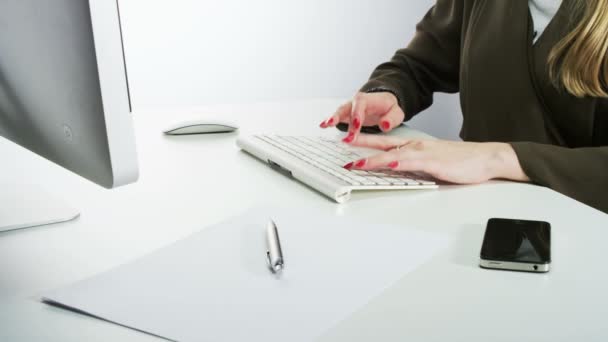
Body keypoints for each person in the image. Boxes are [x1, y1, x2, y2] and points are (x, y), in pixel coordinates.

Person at [320, 0, 608, 213]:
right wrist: (390, 93)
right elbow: (418, 64)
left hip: (581, 231)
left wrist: (500, 157)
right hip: (476, 211)